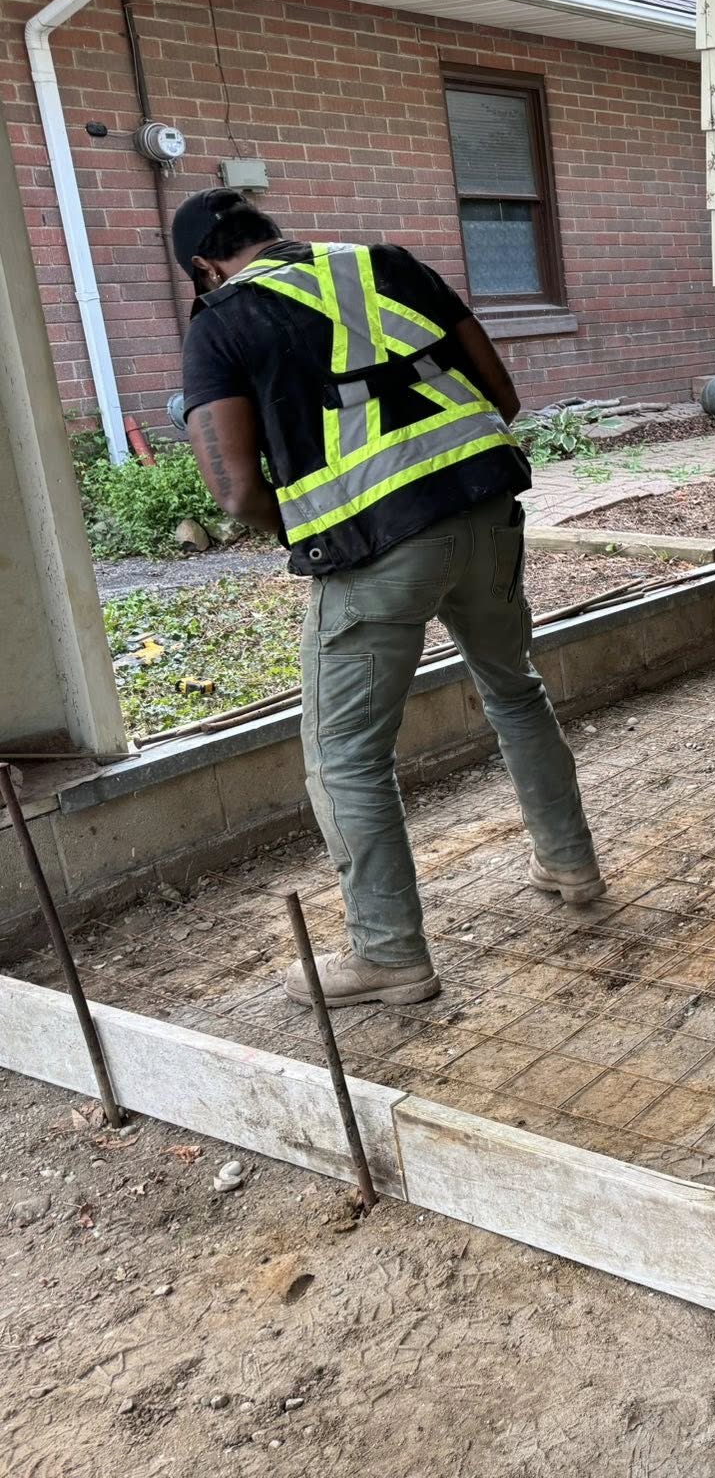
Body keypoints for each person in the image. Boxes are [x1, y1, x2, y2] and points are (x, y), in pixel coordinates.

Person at [174, 188, 604, 1009]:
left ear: (205, 266)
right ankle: (571, 865)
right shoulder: (386, 264)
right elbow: (502, 396)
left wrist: (316, 526)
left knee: (345, 755)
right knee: (514, 690)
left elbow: (234, 489)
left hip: (377, 551)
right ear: (272, 234)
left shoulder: (221, 318)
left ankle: (388, 953)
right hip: (485, 509)